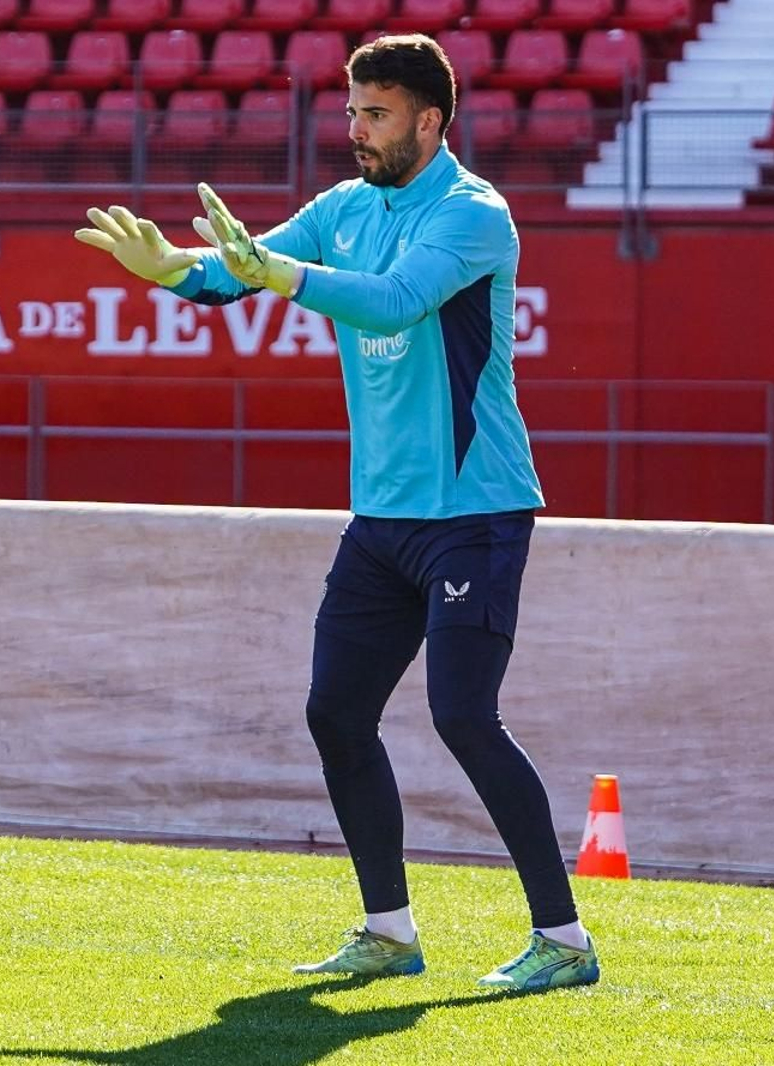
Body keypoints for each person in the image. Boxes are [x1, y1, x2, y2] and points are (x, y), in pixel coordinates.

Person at [74, 33, 598, 992]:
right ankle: (390, 932)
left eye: (376, 113)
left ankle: (564, 942)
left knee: (464, 717)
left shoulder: (474, 213)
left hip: (474, 508)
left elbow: (394, 303)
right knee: (336, 714)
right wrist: (174, 272)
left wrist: (281, 279)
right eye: (352, 111)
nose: (355, 130)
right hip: (383, 519)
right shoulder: (345, 208)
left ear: (429, 120)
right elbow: (242, 267)